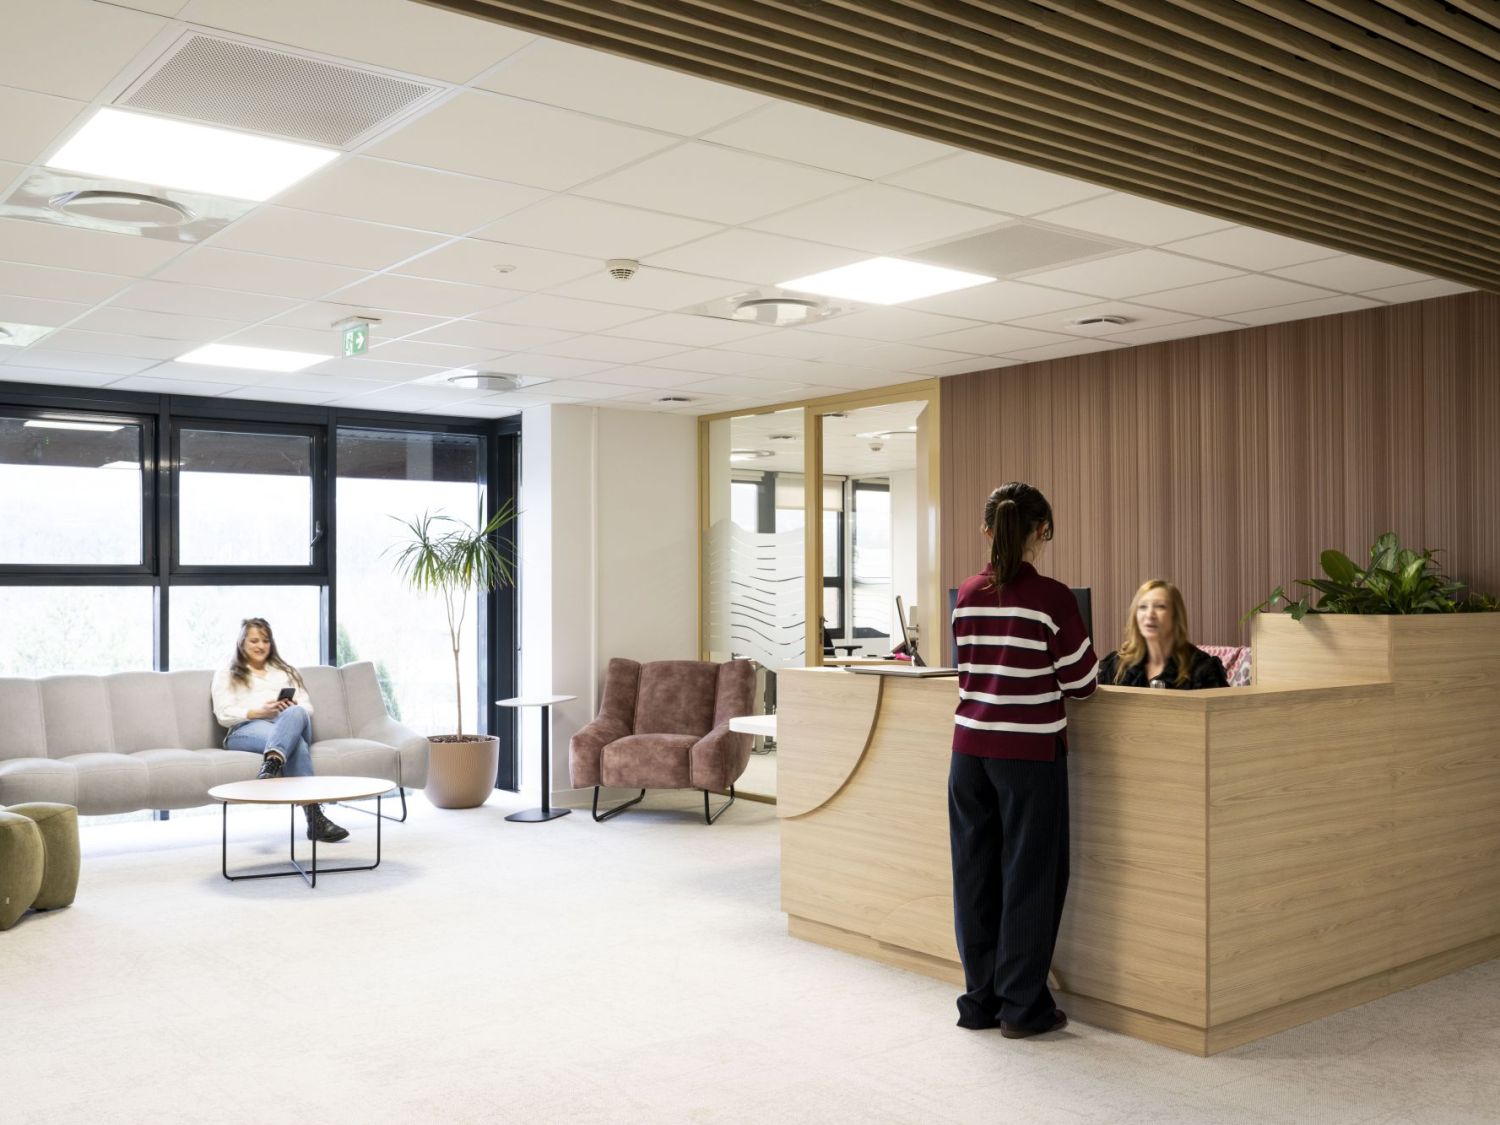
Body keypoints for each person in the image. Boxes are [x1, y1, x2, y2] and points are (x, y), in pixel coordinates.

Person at [949, 482, 1097, 1039]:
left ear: (987, 530)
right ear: (1042, 530)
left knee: (975, 875)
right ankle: (1022, 1008)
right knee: (1030, 877)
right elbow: (1082, 683)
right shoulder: (1052, 598)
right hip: (1029, 755)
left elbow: (967, 669)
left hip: (968, 753)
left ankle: (979, 1002)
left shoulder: (967, 593)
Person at [211, 617, 348, 843]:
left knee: (296, 712)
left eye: (265, 640)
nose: (261, 646)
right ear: (242, 643)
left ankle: (272, 762)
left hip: (287, 725)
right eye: (254, 640)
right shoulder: (227, 673)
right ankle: (315, 819)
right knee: (298, 745)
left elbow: (307, 708)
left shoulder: (285, 671)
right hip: (245, 730)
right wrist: (259, 712)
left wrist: (288, 709)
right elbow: (223, 714)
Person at [1099, 580, 1229, 689]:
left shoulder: (1203, 669)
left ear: (1176, 616)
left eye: (1160, 606)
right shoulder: (1117, 665)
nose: (1150, 614)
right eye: (1143, 607)